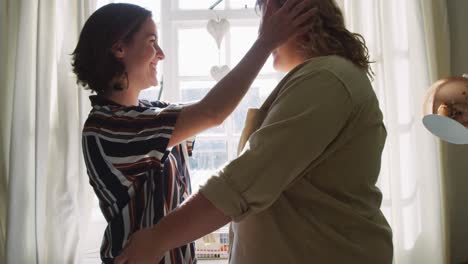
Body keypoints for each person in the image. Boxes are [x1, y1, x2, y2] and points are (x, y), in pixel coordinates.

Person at [116, 0, 393, 263]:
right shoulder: (319, 80)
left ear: (297, 19)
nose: (263, 31)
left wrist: (157, 239)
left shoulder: (326, 80)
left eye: (267, 20)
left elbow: (242, 181)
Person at [73, 1, 315, 263]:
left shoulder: (151, 113)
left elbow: (211, 110)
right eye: (152, 41)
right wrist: (265, 42)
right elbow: (212, 112)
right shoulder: (107, 127)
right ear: (119, 48)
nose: (161, 53)